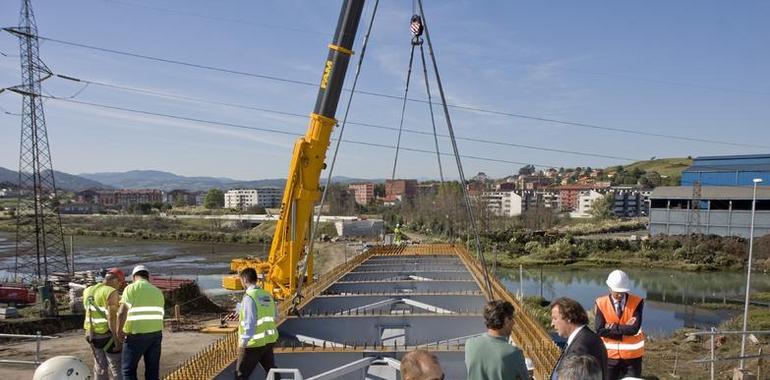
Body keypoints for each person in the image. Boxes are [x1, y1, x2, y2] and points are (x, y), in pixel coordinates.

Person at [595, 270, 645, 380]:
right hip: (610, 357)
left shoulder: (637, 302)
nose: (619, 295)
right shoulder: (601, 303)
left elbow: (634, 329)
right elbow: (599, 330)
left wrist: (611, 326)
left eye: (622, 292)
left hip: (632, 358)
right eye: (616, 291)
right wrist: (624, 330)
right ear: (609, 288)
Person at [117, 265, 165, 380]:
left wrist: (119, 331)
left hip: (136, 336)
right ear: (148, 277)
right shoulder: (158, 291)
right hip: (156, 335)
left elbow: (121, 312)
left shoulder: (131, 288)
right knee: (152, 370)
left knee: (128, 370)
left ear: (134, 277)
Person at [465, 300, 529, 380]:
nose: (514, 323)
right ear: (506, 321)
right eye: (512, 319)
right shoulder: (514, 353)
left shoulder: (470, 344)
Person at [235, 268, 278, 380]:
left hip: (253, 344)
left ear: (244, 279)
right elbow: (275, 317)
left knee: (241, 375)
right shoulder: (267, 295)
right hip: (268, 341)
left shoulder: (249, 297)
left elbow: (250, 322)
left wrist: (243, 343)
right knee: (272, 372)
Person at [549, 297, 607, 380]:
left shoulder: (581, 346)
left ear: (568, 317)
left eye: (555, 318)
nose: (552, 324)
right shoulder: (584, 337)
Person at [83, 268, 125, 380]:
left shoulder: (88, 290)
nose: (120, 286)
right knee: (117, 368)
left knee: (100, 367)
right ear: (115, 280)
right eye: (120, 282)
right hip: (107, 336)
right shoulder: (111, 292)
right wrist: (117, 340)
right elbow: (111, 318)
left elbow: (89, 311)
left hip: (91, 336)